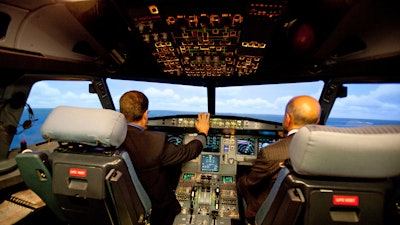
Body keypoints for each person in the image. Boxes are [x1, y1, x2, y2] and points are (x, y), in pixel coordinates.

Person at [119, 90, 210, 225]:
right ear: (145, 114)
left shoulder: (111, 138)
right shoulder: (154, 143)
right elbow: (188, 152)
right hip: (158, 209)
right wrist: (203, 132)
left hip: (125, 204)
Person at [236, 95, 321, 224]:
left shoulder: (271, 152)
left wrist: (237, 179)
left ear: (287, 119)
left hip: (268, 215)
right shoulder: (327, 152)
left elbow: (249, 183)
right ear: (317, 121)